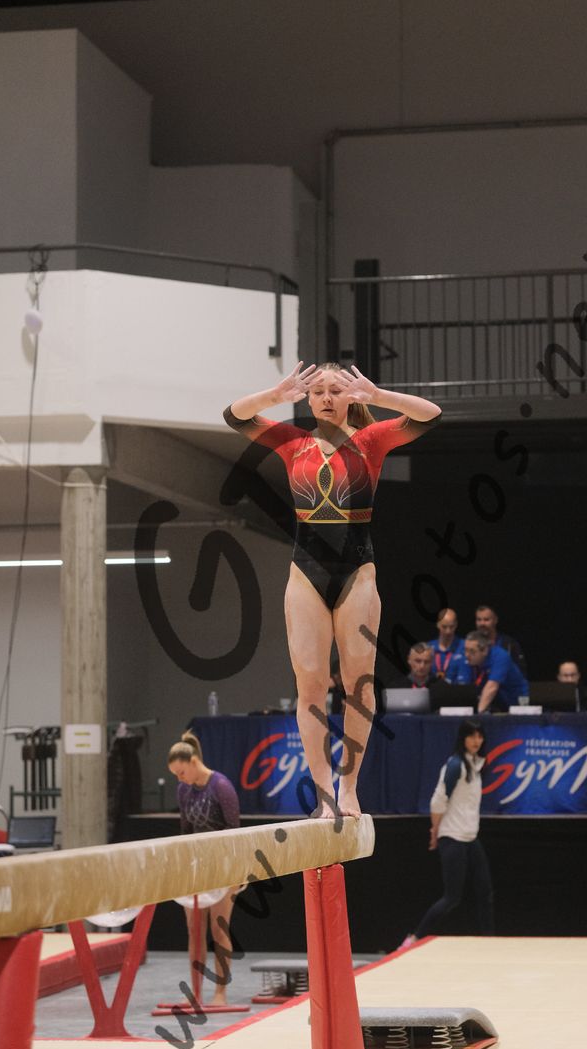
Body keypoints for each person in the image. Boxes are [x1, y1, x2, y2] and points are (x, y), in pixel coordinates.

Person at [225, 361, 441, 818]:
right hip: (306, 573)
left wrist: (378, 396)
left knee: (358, 685)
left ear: (350, 398)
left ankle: (349, 787)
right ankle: (323, 792)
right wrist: (275, 396)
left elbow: (429, 415)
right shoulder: (292, 443)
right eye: (318, 390)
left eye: (335, 390)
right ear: (307, 398)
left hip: (357, 572)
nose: (326, 397)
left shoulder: (371, 441)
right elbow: (235, 416)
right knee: (310, 687)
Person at [398, 719, 494, 947]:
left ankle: (490, 942)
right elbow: (437, 801)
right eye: (471, 736)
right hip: (452, 837)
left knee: (485, 892)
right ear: (463, 738)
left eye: (479, 736)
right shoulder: (455, 765)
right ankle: (413, 938)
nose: (476, 741)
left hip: (470, 837)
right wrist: (435, 832)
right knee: (452, 898)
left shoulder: (476, 765)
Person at [168, 732, 241, 1006]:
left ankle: (220, 993)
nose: (180, 779)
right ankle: (196, 993)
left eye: (181, 772)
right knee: (195, 931)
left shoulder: (220, 785)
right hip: (196, 867)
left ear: (194, 761)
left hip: (224, 865)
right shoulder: (183, 790)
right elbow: (186, 832)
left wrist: (235, 874)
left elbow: (234, 830)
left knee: (218, 930)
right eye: (175, 775)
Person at [462, 630, 529, 712]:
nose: (467, 655)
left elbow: (492, 687)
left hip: (516, 702)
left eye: (472, 651)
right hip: (494, 702)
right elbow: (465, 687)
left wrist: (477, 715)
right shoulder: (469, 660)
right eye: (465, 650)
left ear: (485, 650)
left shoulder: (500, 657)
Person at [474, 605, 528, 677]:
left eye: (486, 620)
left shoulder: (509, 645)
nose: (482, 623)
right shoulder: (470, 645)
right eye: (479, 620)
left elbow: (521, 674)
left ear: (495, 620)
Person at [427, 608, 468, 682]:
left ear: (456, 625)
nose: (448, 631)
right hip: (433, 688)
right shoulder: (428, 648)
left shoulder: (465, 646)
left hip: (458, 688)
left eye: (451, 627)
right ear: (438, 624)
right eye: (444, 627)